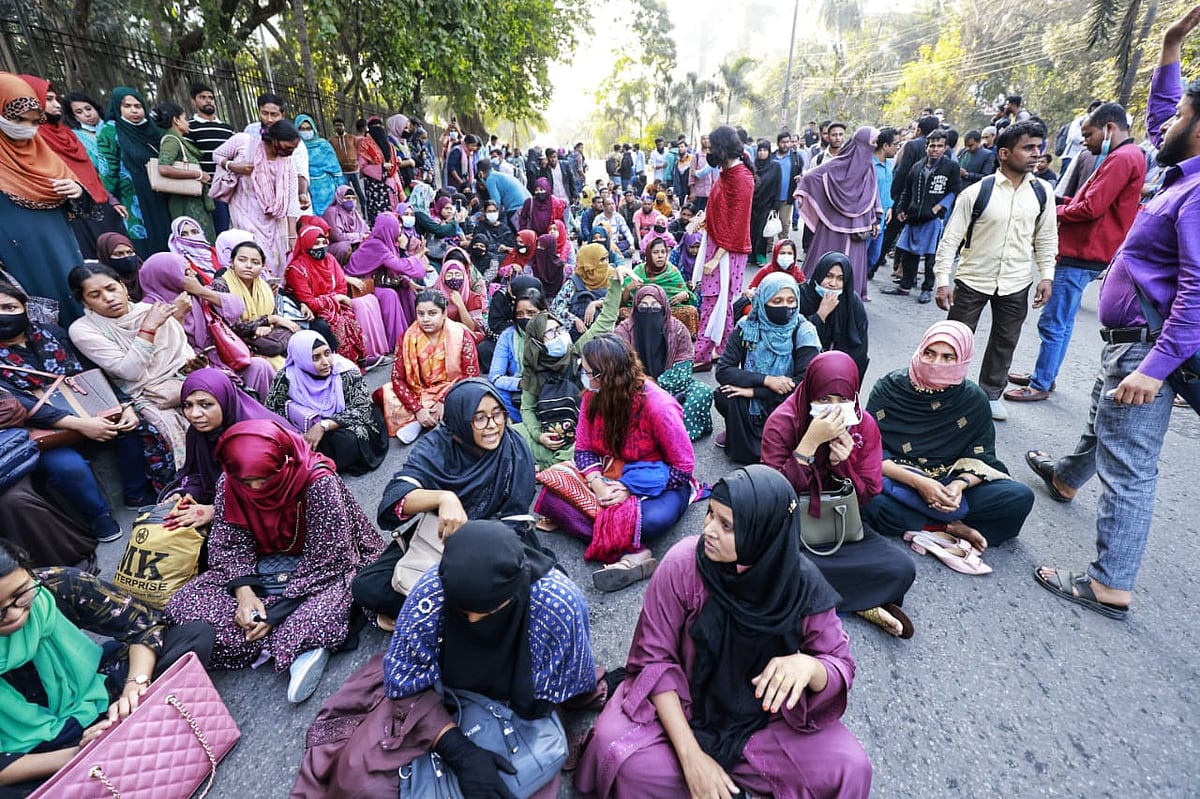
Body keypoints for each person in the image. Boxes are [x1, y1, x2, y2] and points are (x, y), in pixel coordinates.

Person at [1032, 7, 1200, 621]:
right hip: (1129, 339)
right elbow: (1161, 119)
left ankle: (1109, 583)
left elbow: (1197, 292)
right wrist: (1170, 45)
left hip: (1147, 345)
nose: (1169, 120)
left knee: (1130, 466)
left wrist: (1154, 369)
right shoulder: (1183, 171)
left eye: (1183, 114)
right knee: (1106, 416)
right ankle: (1068, 476)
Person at [574, 465, 873, 799]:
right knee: (617, 752)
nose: (709, 531)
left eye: (727, 525)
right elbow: (652, 660)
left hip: (764, 724)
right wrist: (692, 759)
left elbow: (840, 665)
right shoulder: (684, 563)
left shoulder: (800, 585)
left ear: (764, 535)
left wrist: (810, 667)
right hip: (686, 708)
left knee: (850, 767)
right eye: (710, 514)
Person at [337, 521, 593, 799]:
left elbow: (558, 687)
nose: (472, 622)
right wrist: (459, 751)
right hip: (445, 697)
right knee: (360, 779)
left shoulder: (556, 603)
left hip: (522, 708)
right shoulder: (431, 594)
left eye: (487, 612)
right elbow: (405, 681)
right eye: (463, 612)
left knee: (521, 779)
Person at [164, 419, 384, 703]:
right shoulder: (230, 482)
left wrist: (275, 613)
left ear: (285, 461)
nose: (256, 489)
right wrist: (244, 595)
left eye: (266, 479)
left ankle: (290, 637)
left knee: (339, 595)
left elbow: (333, 558)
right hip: (262, 567)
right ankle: (294, 643)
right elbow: (228, 543)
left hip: (323, 567)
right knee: (183, 605)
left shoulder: (318, 481)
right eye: (247, 482)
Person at [0, 540, 216, 795]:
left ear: (29, 572)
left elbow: (142, 624)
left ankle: (119, 743)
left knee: (193, 636)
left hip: (102, 694)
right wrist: (82, 753)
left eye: (22, 595)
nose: (15, 614)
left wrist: (135, 687)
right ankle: (135, 735)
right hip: (38, 750)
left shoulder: (56, 584)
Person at [352, 378, 542, 622]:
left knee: (537, 585)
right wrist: (444, 498)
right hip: (440, 537)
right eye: (479, 418)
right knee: (367, 586)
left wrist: (474, 548)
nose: (492, 425)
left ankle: (445, 614)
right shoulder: (437, 447)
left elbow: (514, 519)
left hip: (499, 538)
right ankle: (473, 614)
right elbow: (396, 495)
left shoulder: (513, 448)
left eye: (498, 414)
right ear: (459, 419)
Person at [761, 351, 917, 637]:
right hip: (791, 524)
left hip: (838, 523)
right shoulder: (783, 421)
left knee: (902, 567)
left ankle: (825, 599)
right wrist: (807, 447)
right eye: (823, 401)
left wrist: (842, 465)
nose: (833, 411)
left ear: (854, 397)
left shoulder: (863, 424)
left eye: (842, 401)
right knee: (766, 563)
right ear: (809, 393)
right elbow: (770, 497)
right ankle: (861, 602)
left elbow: (869, 494)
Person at [1005, 103, 1146, 404]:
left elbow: (1092, 208)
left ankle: (1041, 382)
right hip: (1086, 249)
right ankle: (1045, 374)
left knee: (1054, 320)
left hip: (1082, 251)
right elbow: (1090, 200)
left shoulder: (1123, 158)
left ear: (1109, 129)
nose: (1085, 141)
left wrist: (1052, 211)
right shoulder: (1122, 157)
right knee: (1063, 320)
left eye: (1088, 134)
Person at [535, 335, 696, 592]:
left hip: (655, 484)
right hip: (606, 475)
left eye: (587, 372)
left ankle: (632, 551)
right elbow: (584, 449)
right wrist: (598, 485)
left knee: (650, 521)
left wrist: (629, 488)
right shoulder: (592, 397)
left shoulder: (658, 405)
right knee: (552, 490)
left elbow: (683, 468)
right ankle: (625, 542)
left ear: (605, 375)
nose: (583, 377)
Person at [864, 321, 1034, 562]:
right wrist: (919, 482)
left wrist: (958, 487)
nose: (936, 364)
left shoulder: (973, 399)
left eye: (948, 357)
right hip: (897, 476)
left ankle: (926, 523)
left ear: (963, 360)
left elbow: (982, 456)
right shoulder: (889, 387)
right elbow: (868, 451)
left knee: (1019, 497)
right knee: (865, 496)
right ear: (920, 350)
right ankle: (949, 528)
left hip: (948, 479)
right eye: (930, 353)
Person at [932, 121, 1058, 421]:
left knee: (1005, 341)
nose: (1035, 154)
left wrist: (1046, 276)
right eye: (1028, 148)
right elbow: (950, 239)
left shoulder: (1042, 193)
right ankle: (944, 391)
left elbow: (1046, 237)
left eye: (1038, 148)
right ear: (1004, 153)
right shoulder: (977, 192)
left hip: (1016, 282)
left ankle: (989, 394)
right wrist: (942, 280)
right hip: (973, 279)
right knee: (955, 339)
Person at [67, 263, 197, 464]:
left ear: (123, 287)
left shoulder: (151, 310)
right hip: (139, 394)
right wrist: (149, 327)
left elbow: (182, 355)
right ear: (84, 301)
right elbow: (130, 372)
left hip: (181, 382)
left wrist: (192, 372)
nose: (108, 298)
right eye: (95, 295)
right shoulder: (83, 330)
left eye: (111, 288)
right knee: (164, 423)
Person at [517, 266, 628, 469]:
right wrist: (539, 436)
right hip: (549, 431)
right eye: (550, 334)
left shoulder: (577, 351)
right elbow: (527, 408)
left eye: (559, 328)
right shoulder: (533, 368)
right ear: (538, 343)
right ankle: (562, 464)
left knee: (597, 440)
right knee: (512, 435)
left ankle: (550, 465)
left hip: (581, 431)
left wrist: (615, 282)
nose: (559, 336)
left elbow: (605, 320)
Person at [0, 73, 89, 324]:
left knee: (77, 299)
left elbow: (81, 201)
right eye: (17, 119)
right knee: (39, 313)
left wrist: (77, 191)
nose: (25, 128)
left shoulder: (40, 150)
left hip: (62, 248)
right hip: (18, 256)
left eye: (32, 121)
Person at [168, 367, 290, 539]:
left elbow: (272, 492)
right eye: (187, 405)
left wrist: (216, 510)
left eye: (206, 404)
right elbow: (197, 474)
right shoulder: (198, 434)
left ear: (225, 400)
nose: (194, 414)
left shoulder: (254, 437)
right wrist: (187, 493)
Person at [139, 251, 277, 399]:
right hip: (186, 371)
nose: (192, 274)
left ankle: (266, 414)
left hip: (219, 361)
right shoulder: (148, 310)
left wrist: (201, 290)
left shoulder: (195, 295)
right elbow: (164, 353)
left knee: (260, 367)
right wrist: (177, 317)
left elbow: (237, 306)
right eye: (186, 272)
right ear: (167, 278)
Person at [715, 272, 820, 463]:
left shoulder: (804, 331)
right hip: (763, 391)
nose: (785, 307)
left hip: (787, 399)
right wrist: (767, 381)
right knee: (724, 394)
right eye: (777, 300)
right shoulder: (747, 326)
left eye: (791, 300)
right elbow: (723, 370)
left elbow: (803, 384)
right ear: (763, 301)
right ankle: (737, 434)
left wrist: (755, 392)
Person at [20, 74, 126, 261]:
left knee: (120, 256)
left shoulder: (67, 134)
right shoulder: (33, 138)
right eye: (49, 100)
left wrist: (111, 200)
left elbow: (91, 174)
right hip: (74, 214)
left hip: (100, 205)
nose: (57, 105)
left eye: (57, 99)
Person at [267, 330, 389, 476]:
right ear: (302, 358)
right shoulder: (287, 377)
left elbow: (362, 409)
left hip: (346, 422)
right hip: (306, 428)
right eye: (316, 358)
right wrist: (297, 432)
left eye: (327, 353)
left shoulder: (345, 371)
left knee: (347, 442)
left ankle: (314, 462)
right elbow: (272, 410)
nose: (325, 362)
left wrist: (324, 425)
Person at [615, 284, 713, 440]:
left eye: (655, 306)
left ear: (664, 307)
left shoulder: (678, 329)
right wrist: (644, 383)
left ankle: (674, 436)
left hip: (672, 386)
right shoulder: (624, 330)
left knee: (702, 391)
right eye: (644, 306)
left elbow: (684, 367)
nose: (649, 311)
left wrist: (659, 385)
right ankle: (651, 433)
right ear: (636, 306)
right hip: (635, 388)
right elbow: (617, 365)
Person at [693, 126, 755, 368]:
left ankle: (702, 356)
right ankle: (722, 350)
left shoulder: (741, 178)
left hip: (726, 253)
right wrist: (702, 221)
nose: (708, 152)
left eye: (711, 147)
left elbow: (737, 225)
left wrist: (715, 259)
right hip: (716, 246)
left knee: (715, 302)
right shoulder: (726, 172)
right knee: (719, 303)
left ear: (722, 148)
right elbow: (718, 209)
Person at [795, 127, 880, 300]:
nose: (874, 146)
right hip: (833, 225)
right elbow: (812, 177)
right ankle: (813, 298)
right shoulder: (838, 163)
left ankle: (849, 301)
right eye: (872, 142)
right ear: (862, 143)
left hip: (858, 228)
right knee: (826, 263)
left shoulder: (869, 166)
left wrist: (875, 219)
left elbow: (873, 193)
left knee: (851, 266)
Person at [389, 289, 481, 445]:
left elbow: (471, 373)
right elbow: (398, 377)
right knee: (386, 394)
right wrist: (417, 408)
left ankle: (431, 419)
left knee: (472, 392)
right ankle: (427, 418)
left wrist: (443, 400)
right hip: (419, 389)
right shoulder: (406, 338)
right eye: (421, 314)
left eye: (432, 313)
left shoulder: (460, 334)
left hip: (452, 387)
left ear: (444, 313)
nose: (425, 319)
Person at [213, 120, 303, 277]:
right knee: (254, 258)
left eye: (293, 149)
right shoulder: (244, 143)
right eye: (288, 147)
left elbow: (291, 200)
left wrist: (292, 235)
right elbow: (217, 154)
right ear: (274, 139)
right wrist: (233, 166)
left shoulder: (287, 163)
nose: (290, 152)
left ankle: (275, 296)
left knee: (277, 263)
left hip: (275, 221)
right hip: (245, 213)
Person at [882, 129, 961, 304]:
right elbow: (907, 190)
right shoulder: (917, 166)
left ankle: (927, 289)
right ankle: (905, 286)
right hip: (913, 216)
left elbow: (955, 190)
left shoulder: (950, 167)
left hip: (932, 219)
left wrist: (939, 207)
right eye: (932, 145)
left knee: (931, 258)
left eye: (940, 146)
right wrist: (902, 209)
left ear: (945, 148)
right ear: (926, 146)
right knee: (909, 254)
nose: (935, 149)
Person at [96, 86, 171, 256]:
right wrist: (112, 198)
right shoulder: (110, 131)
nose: (134, 111)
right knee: (143, 240)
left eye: (138, 106)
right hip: (132, 195)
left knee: (166, 234)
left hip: (160, 190)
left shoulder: (152, 130)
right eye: (127, 106)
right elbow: (107, 169)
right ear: (117, 108)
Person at [210, 239, 300, 368]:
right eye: (242, 260)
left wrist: (269, 327)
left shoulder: (264, 286)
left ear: (262, 266)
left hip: (265, 340)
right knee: (278, 367)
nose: (248, 265)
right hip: (236, 345)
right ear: (232, 263)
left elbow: (273, 317)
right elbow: (233, 327)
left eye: (255, 262)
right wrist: (269, 320)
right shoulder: (221, 285)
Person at [285, 224, 367, 364]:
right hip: (310, 312)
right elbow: (310, 302)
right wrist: (335, 298)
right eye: (315, 243)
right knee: (334, 322)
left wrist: (334, 299)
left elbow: (341, 286)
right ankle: (341, 364)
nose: (321, 247)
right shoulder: (297, 269)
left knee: (349, 319)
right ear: (306, 244)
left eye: (324, 242)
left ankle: (359, 360)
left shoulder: (329, 259)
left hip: (332, 306)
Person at [345, 210, 427, 349]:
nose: (399, 229)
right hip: (360, 286)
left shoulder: (386, 243)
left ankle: (413, 333)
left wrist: (406, 281)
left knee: (405, 288)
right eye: (397, 226)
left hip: (375, 281)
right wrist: (419, 255)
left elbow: (393, 270)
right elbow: (399, 265)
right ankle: (396, 342)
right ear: (388, 228)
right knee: (390, 295)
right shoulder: (376, 245)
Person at [798, 252, 870, 379]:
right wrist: (820, 315)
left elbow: (858, 349)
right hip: (803, 367)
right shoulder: (802, 296)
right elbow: (794, 338)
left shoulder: (852, 302)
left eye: (840, 278)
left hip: (837, 373)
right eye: (828, 276)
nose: (833, 283)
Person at [151, 102, 215, 242]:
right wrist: (197, 174)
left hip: (192, 200)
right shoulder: (171, 141)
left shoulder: (178, 140)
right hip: (184, 203)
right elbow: (163, 168)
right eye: (185, 119)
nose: (188, 123)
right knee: (194, 241)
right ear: (176, 120)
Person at [488, 286, 545, 421]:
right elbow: (495, 376)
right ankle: (523, 423)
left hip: (548, 390)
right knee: (493, 393)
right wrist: (521, 383)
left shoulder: (553, 332)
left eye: (531, 313)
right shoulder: (508, 336)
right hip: (519, 390)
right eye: (520, 314)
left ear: (543, 313)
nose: (525, 318)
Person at [184, 83, 235, 234]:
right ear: (194, 101)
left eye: (211, 98)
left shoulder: (227, 128)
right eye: (202, 97)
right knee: (212, 232)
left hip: (229, 188)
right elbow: (188, 157)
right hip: (205, 189)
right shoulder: (189, 127)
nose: (208, 101)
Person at [628, 235, 698, 336]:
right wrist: (628, 289)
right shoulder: (638, 271)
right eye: (655, 252)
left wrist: (685, 295)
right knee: (624, 313)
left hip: (669, 310)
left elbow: (688, 295)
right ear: (648, 253)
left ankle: (682, 341)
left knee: (690, 311)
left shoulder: (672, 271)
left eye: (663, 252)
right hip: (644, 310)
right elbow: (623, 300)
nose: (660, 256)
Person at [294, 115, 343, 216]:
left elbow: (336, 170)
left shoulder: (323, 145)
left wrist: (341, 190)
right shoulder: (294, 147)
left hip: (327, 189)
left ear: (313, 128)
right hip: (305, 190)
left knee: (331, 219)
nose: (305, 131)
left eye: (308, 128)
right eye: (302, 129)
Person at [357, 117, 401, 224]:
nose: (378, 129)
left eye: (380, 126)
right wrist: (381, 167)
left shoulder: (389, 145)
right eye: (374, 127)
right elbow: (363, 166)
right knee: (379, 215)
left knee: (392, 213)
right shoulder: (365, 145)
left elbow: (393, 160)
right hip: (374, 186)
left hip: (390, 182)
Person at [322, 185, 370, 265]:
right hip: (334, 245)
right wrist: (359, 236)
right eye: (347, 198)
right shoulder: (331, 212)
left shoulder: (354, 212)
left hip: (353, 241)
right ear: (339, 198)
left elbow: (366, 230)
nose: (351, 200)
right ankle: (340, 268)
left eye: (353, 198)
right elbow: (337, 236)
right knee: (344, 247)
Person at [167, 215, 221, 282]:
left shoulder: (216, 252)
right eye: (184, 234)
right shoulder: (180, 265)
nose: (191, 237)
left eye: (194, 232)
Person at [329, 117, 364, 208]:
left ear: (344, 126)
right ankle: (351, 210)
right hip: (342, 172)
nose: (338, 127)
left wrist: (357, 162)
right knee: (346, 194)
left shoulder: (352, 138)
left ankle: (365, 212)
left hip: (354, 170)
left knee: (360, 193)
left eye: (340, 125)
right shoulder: (332, 140)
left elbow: (358, 151)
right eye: (336, 126)